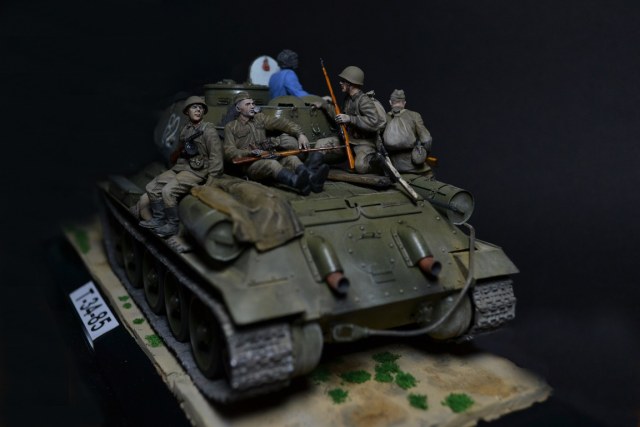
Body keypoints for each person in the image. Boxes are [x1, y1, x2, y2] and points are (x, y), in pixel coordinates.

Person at [140, 96, 223, 237]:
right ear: (186, 112)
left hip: (197, 171)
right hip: (181, 167)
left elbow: (216, 157)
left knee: (168, 191)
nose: (198, 110)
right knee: (151, 187)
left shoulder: (209, 131)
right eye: (194, 107)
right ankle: (159, 219)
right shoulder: (185, 129)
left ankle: (172, 225)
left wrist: (211, 180)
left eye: (200, 108)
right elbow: (179, 151)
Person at [223, 91, 329, 194]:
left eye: (253, 103)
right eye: (247, 104)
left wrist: (300, 134)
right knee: (272, 164)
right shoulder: (231, 127)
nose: (252, 106)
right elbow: (229, 152)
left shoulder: (259, 118)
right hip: (249, 165)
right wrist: (250, 153)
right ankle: (297, 183)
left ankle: (312, 179)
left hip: (267, 156)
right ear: (238, 108)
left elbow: (282, 123)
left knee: (292, 158)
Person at [313, 66, 386, 174]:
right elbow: (340, 116)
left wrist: (350, 119)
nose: (340, 83)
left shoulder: (364, 100)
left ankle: (376, 162)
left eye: (343, 81)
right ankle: (311, 172)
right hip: (348, 140)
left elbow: (374, 122)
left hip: (363, 143)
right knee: (321, 144)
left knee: (360, 166)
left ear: (350, 83)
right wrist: (325, 106)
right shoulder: (348, 99)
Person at [382, 89, 433, 174]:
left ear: (390, 102)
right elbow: (427, 140)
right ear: (404, 103)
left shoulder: (384, 118)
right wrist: (422, 154)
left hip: (392, 168)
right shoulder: (415, 116)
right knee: (429, 175)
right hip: (414, 167)